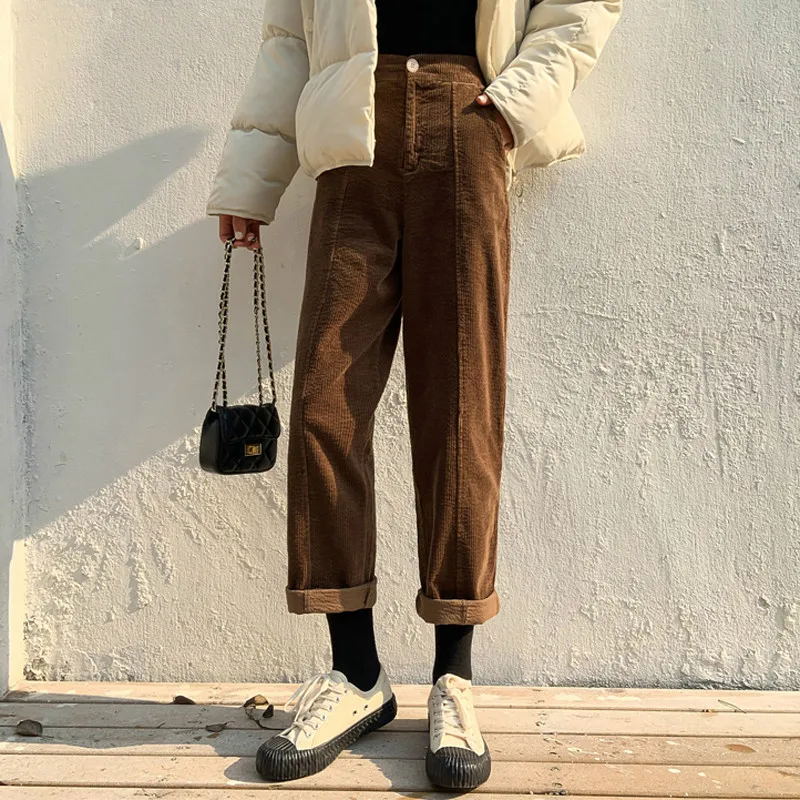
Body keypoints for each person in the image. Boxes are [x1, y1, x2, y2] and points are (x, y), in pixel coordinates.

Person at [206, 0, 621, 790]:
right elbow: (289, 42)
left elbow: (577, 13)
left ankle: (453, 677)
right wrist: (249, 181)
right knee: (324, 409)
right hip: (352, 137)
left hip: (470, 120)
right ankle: (356, 674)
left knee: (461, 412)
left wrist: (506, 109)